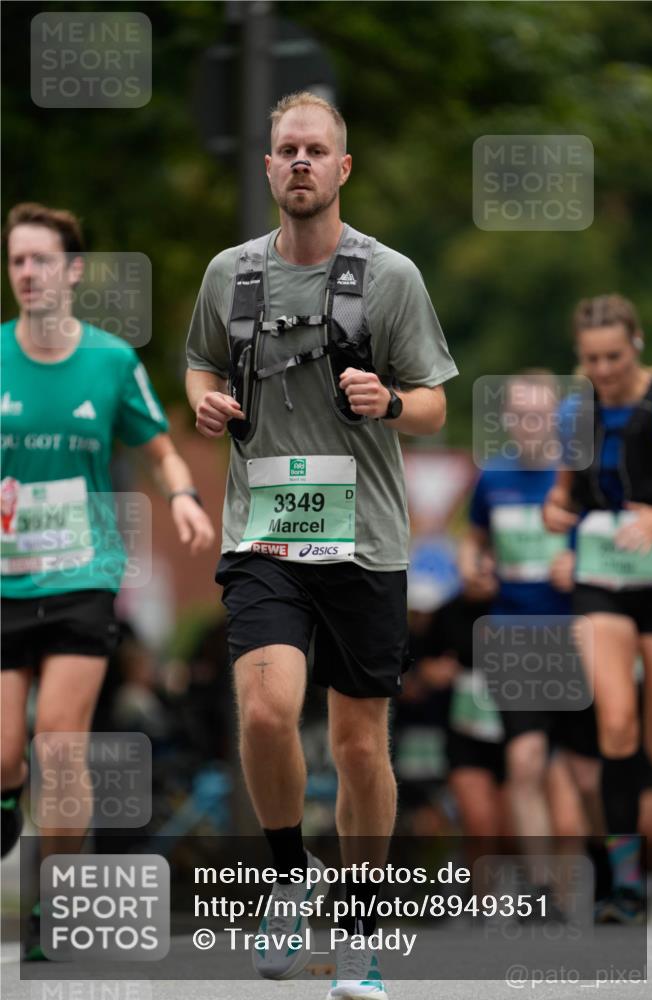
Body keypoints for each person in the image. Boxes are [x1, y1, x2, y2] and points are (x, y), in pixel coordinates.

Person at [185, 91, 457, 998]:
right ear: (266, 167)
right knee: (264, 710)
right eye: (284, 150)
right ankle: (286, 873)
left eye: (316, 151)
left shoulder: (391, 277)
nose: (299, 162)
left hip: (363, 541)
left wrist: (390, 402)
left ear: (342, 169)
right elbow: (200, 362)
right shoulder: (229, 274)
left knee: (356, 746)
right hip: (264, 534)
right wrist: (204, 399)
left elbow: (435, 404)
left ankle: (363, 933)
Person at [0, 202, 215, 958]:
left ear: (73, 271)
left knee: (59, 746)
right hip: (4, 581)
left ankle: (50, 910)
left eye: (42, 260)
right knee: (6, 755)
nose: (28, 273)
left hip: (84, 575)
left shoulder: (111, 362)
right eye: (17, 260)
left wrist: (184, 495)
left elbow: (159, 449)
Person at [459, 371, 604, 916]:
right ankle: (543, 891)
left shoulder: (579, 477)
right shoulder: (491, 479)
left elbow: (618, 542)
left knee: (587, 778)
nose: (527, 424)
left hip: (580, 637)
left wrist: (583, 561)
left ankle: (610, 871)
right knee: (524, 762)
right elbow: (471, 541)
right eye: (517, 414)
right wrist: (473, 569)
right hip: (515, 635)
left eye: (538, 414)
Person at [544, 294, 652, 922]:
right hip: (601, 579)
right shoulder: (576, 413)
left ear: (637, 345)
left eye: (614, 356)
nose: (604, 369)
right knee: (615, 724)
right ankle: (623, 887)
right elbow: (561, 496)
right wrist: (554, 513)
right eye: (592, 358)